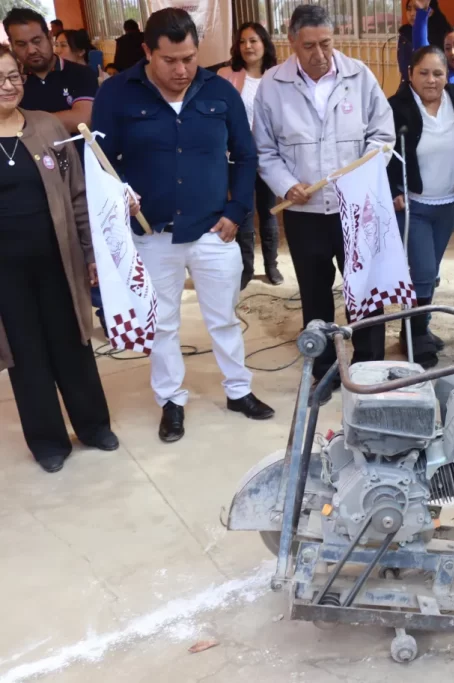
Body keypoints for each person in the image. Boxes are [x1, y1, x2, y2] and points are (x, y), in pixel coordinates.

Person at [91, 8, 274, 443]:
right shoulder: (117, 94)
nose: (182, 69)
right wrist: (119, 198)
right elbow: (100, 166)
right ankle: (171, 401)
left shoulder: (219, 90)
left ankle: (238, 390)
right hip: (151, 235)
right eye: (170, 60)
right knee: (163, 323)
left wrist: (236, 213)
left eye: (189, 58)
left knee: (224, 318)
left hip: (214, 230)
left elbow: (246, 156)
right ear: (147, 53)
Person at [253, 4, 395, 403]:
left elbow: (382, 137)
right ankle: (324, 370)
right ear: (291, 43)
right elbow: (265, 151)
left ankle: (369, 369)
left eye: (326, 44)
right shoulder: (271, 85)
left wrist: (362, 175)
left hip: (355, 210)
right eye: (309, 46)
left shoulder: (359, 76)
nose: (320, 54)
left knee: (365, 294)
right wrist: (286, 185)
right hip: (305, 214)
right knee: (315, 297)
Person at [0, 45, 119, 473]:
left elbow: (79, 196)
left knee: (73, 343)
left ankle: (93, 425)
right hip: (6, 275)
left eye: (13, 76)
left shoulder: (47, 127)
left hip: (57, 260)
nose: (7, 86)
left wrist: (90, 253)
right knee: (25, 354)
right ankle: (48, 441)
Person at [387, 45, 454, 368]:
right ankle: (416, 332)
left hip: (449, 202)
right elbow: (385, 151)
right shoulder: (397, 108)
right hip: (414, 204)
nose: (431, 80)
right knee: (421, 272)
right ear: (410, 74)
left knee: (430, 273)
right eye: (423, 72)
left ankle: (415, 326)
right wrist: (393, 187)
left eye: (438, 73)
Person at [218, 22, 283, 289]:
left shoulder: (277, 76)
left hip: (268, 156)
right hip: (238, 156)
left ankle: (271, 266)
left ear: (265, 44)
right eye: (243, 41)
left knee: (268, 213)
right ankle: (246, 268)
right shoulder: (226, 75)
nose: (248, 46)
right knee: (242, 213)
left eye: (253, 41)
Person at [3, 8, 96, 135]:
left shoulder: (81, 73)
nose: (31, 50)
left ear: (50, 37)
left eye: (37, 41)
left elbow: (82, 120)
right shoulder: (11, 83)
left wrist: (19, 124)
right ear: (11, 45)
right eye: (21, 44)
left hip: (76, 154)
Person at [397, 0, 451, 85]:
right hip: (409, 89)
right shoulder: (405, 33)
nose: (412, 13)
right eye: (409, 9)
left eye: (417, 9)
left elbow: (423, 52)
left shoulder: (441, 33)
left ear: (431, 11)